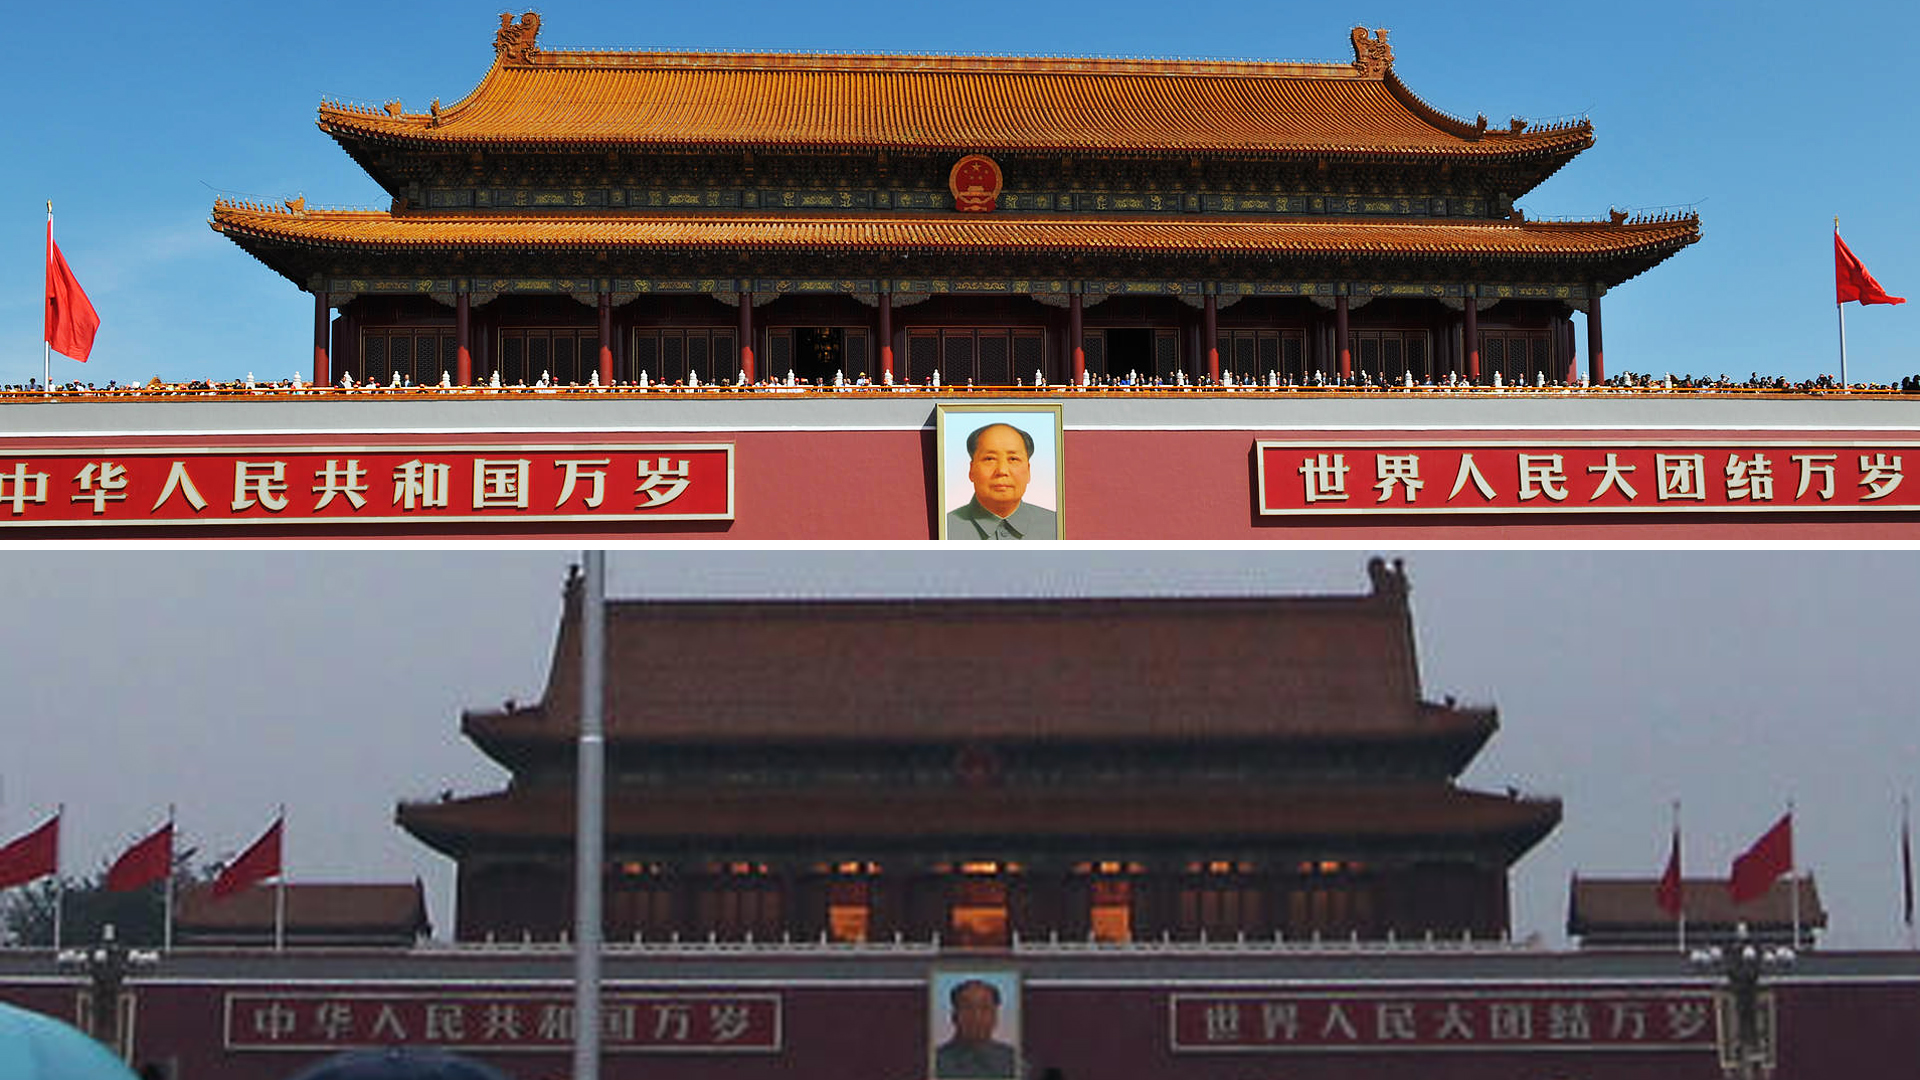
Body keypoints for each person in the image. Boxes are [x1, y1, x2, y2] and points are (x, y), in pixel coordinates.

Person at [946, 422, 1058, 540]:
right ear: (971, 470)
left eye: (1013, 459)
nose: (1002, 471)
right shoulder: (946, 528)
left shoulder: (1056, 525)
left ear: (1028, 470)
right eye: (989, 459)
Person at [934, 979, 1018, 1078]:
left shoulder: (1012, 1060)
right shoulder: (936, 1061)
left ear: (995, 1017)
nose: (976, 1017)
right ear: (954, 1016)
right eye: (967, 1007)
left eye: (985, 1008)